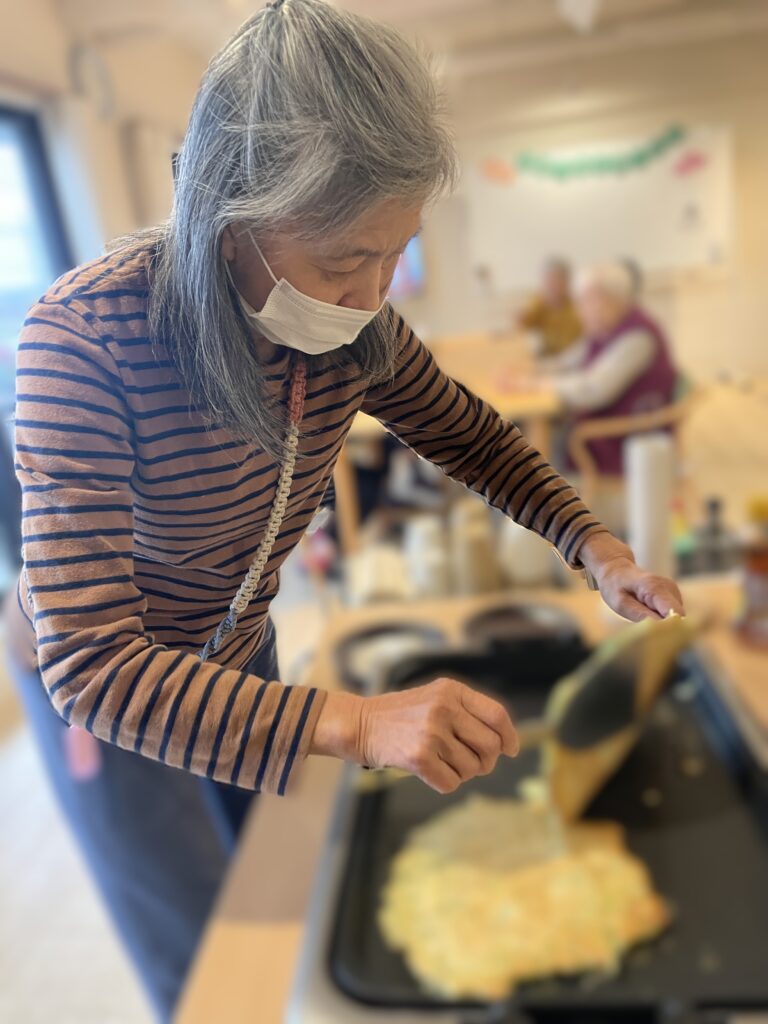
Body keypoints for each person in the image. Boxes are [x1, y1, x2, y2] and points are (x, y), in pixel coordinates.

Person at [5, 2, 684, 1018]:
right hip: (109, 682)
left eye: (392, 254)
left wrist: (591, 542)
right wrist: (358, 720)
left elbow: (470, 435)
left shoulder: (356, 327)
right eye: (340, 262)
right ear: (227, 217)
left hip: (239, 634)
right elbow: (93, 664)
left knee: (276, 880)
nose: (371, 297)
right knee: (199, 949)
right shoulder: (82, 341)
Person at [541, 261, 678, 475]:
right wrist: (532, 371)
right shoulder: (606, 328)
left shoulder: (637, 337)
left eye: (584, 302)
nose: (579, 312)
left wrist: (538, 385)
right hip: (606, 430)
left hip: (626, 442)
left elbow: (594, 389)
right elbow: (566, 362)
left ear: (606, 299)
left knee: (540, 445)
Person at [518, 256, 582, 357]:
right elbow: (523, 324)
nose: (551, 286)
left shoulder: (578, 304)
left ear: (566, 282)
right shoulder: (539, 302)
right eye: (547, 281)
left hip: (575, 356)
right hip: (549, 356)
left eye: (555, 280)